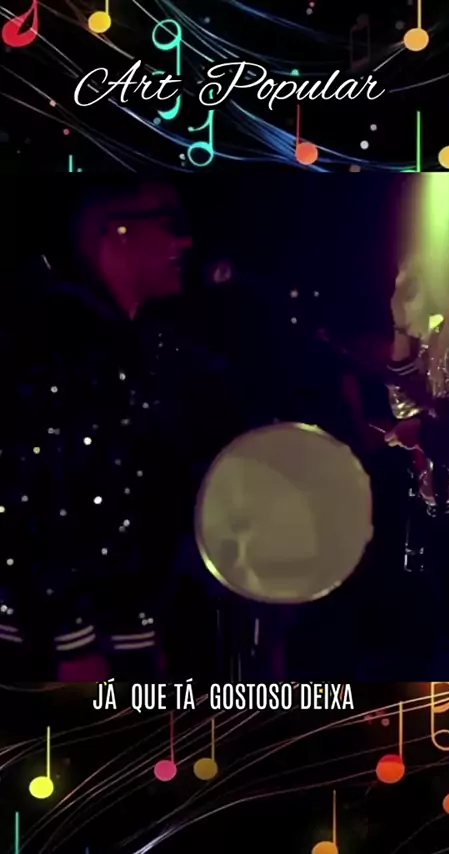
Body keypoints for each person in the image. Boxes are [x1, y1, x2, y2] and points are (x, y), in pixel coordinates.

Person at [0, 179, 246, 681]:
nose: (186, 243)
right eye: (170, 225)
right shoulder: (65, 338)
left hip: (109, 633)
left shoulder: (123, 341)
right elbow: (42, 491)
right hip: (63, 645)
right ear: (118, 232)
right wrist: (73, 640)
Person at [385, 260, 449, 675]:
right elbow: (404, 405)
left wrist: (425, 427)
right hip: (446, 508)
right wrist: (401, 328)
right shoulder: (440, 330)